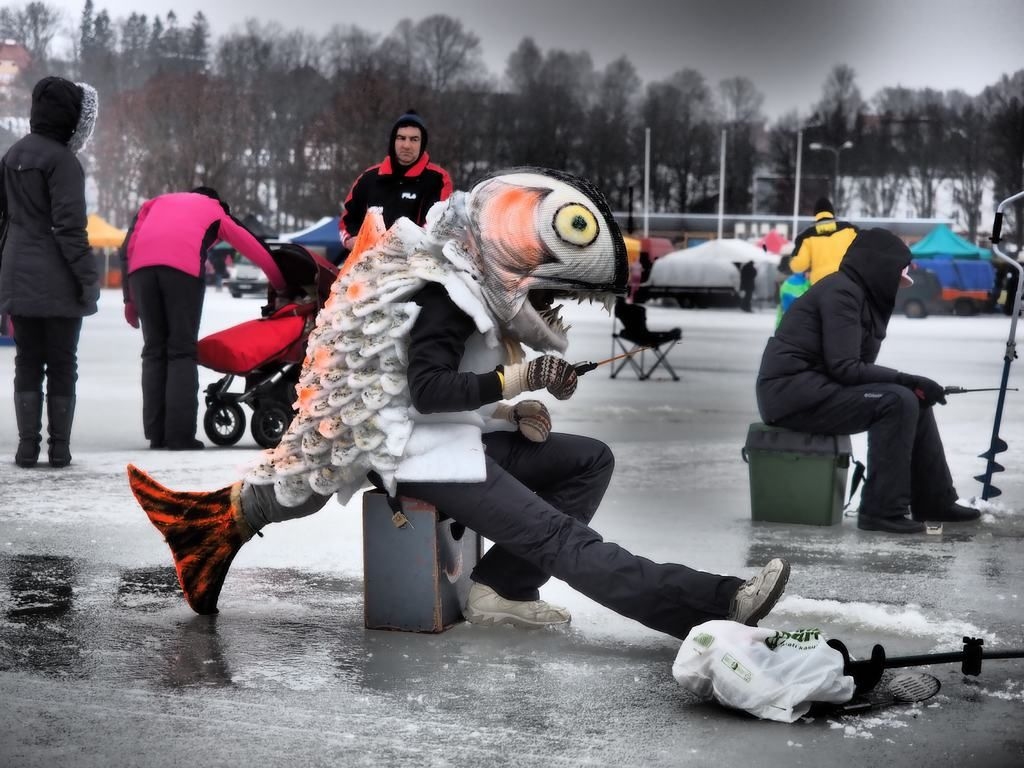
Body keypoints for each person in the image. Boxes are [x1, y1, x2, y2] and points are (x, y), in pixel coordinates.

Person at [128, 168, 790, 639]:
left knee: (588, 459)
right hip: (425, 458)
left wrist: (508, 411)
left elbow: (438, 383)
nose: (553, 303)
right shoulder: (448, 293)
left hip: (453, 440)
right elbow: (425, 390)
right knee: (560, 538)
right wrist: (515, 382)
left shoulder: (468, 287)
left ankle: (502, 585)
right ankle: (713, 603)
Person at [756, 228, 981, 534]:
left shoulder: (858, 294)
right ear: (880, 268)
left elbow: (850, 368)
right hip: (791, 395)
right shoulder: (842, 293)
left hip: (815, 390)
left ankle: (934, 500)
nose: (897, 288)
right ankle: (881, 510)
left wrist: (911, 385)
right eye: (895, 278)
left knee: (913, 397)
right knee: (897, 399)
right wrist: (906, 379)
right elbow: (846, 367)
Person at [120, 188, 288, 450]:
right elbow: (254, 248)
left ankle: (157, 433)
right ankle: (179, 436)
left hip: (140, 272)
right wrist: (282, 284)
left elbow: (127, 248)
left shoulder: (154, 203)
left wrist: (129, 299)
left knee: (154, 351)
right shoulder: (215, 210)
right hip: (182, 272)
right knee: (181, 351)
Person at [0, 76, 99, 469]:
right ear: (70, 117)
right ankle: (59, 448)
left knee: (26, 360)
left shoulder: (11, 156)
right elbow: (69, 228)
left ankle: (27, 448)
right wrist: (88, 280)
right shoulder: (63, 162)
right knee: (62, 363)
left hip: (17, 276)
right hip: (58, 280)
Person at [339, 109, 453, 252]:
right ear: (393, 141)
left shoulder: (438, 179)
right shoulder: (369, 178)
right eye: (401, 138)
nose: (406, 145)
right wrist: (351, 239)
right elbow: (347, 220)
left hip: (415, 262)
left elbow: (439, 223)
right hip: (369, 259)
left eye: (414, 139)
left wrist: (403, 246)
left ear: (422, 143)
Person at [788, 197, 858, 285]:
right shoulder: (849, 230)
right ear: (832, 212)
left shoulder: (807, 236)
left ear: (815, 214)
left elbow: (798, 266)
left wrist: (791, 260)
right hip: (845, 280)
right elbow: (861, 252)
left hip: (820, 285)